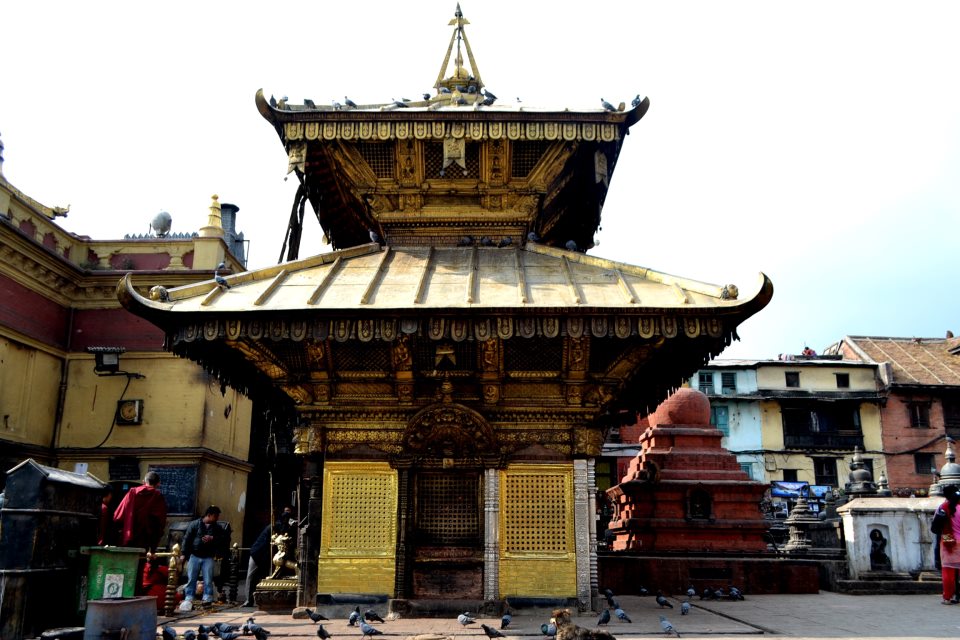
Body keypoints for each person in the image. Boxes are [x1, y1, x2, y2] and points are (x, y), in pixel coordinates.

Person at [242, 506, 296, 607]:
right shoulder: (275, 526)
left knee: (261, 577)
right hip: (258, 553)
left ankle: (255, 598)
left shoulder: (281, 526)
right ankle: (248, 600)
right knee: (251, 576)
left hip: (266, 556)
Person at [180, 505, 230, 611]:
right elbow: (187, 539)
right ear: (209, 515)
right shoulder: (195, 524)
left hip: (208, 556)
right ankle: (189, 597)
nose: (217, 518)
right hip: (194, 555)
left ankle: (207, 597)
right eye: (215, 516)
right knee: (191, 578)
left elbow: (224, 539)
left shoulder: (217, 528)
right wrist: (184, 553)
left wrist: (212, 538)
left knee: (208, 579)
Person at [113, 471, 167, 554]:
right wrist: (154, 546)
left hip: (129, 535)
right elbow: (160, 521)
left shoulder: (132, 492)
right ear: (158, 484)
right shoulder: (157, 496)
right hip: (146, 539)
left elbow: (118, 516)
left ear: (143, 482)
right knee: (141, 560)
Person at [932, 484, 960, 604]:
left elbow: (935, 528)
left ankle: (948, 597)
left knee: (948, 572)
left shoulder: (943, 507)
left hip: (950, 543)